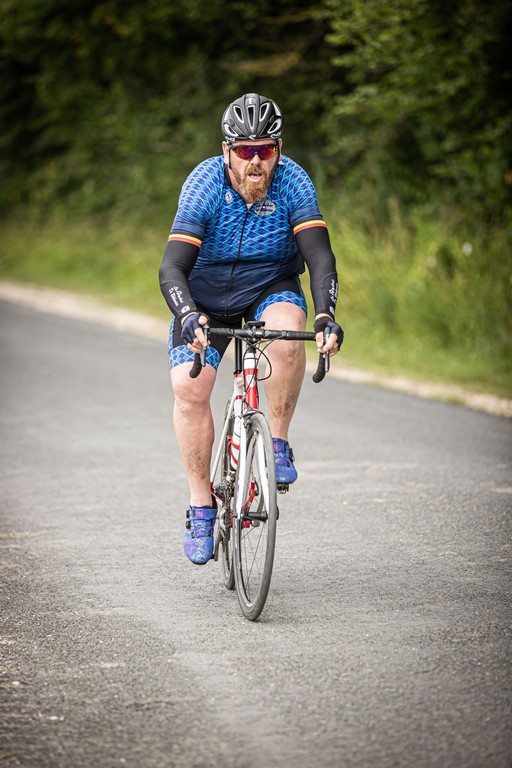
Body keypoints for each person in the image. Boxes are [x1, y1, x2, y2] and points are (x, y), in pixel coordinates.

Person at [159, 92, 343, 565]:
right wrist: (187, 315)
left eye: (265, 149)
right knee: (189, 389)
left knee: (288, 332)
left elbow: (319, 256)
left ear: (278, 150)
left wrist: (326, 314)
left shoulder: (294, 182)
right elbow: (172, 267)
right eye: (245, 151)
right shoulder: (204, 184)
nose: (255, 161)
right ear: (227, 151)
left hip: (268, 286)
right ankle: (201, 505)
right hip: (205, 297)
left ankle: (276, 441)